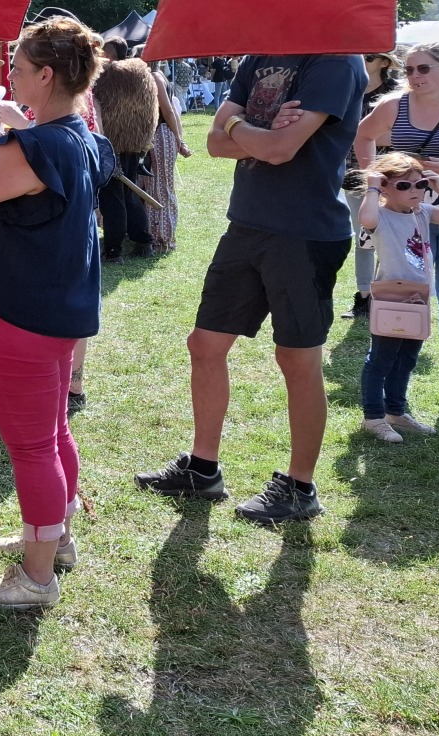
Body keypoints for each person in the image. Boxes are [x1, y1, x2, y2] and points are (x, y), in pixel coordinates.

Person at [136, 52, 365, 524]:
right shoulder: (258, 57)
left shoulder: (337, 60)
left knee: (296, 359)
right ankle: (203, 470)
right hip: (247, 225)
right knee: (204, 344)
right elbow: (213, 142)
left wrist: (240, 125)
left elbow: (279, 149)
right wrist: (256, 132)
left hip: (306, 233)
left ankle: (300, 487)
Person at [0, 16, 103, 607]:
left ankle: (37, 576)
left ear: (47, 75)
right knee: (52, 434)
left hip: (19, 314)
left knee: (34, 446)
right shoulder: (80, 136)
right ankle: (54, 541)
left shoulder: (34, 145)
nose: (9, 76)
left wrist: (10, 134)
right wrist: (19, 130)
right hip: (56, 310)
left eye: (20, 67)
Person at [354, 42, 439, 407]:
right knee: (402, 290)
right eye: (409, 70)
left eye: (423, 68)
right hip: (407, 213)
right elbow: (363, 135)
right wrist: (377, 180)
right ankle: (390, 380)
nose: (414, 76)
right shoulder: (394, 106)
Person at [356, 153, 439, 442]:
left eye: (420, 184)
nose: (415, 191)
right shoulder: (381, 215)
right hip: (391, 298)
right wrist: (372, 187)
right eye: (404, 186)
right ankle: (373, 417)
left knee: (407, 359)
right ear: (385, 188)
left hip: (418, 298)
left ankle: (396, 412)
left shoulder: (423, 212)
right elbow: (366, 219)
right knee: (381, 360)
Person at [341, 52, 402, 319]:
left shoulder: (397, 93)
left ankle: (388, 295)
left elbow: (407, 132)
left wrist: (364, 133)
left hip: (395, 177)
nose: (361, 61)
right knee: (363, 237)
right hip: (355, 175)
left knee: (393, 237)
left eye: (368, 57)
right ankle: (364, 297)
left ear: (384, 62)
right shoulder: (347, 89)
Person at [91, 38, 157, 261]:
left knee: (113, 198)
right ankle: (143, 241)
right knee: (129, 193)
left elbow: (101, 111)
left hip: (112, 144)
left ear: (109, 54)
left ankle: (113, 249)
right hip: (133, 143)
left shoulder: (107, 76)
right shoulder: (139, 73)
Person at [141, 53, 192, 253]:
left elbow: (169, 110)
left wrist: (179, 139)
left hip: (160, 134)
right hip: (159, 134)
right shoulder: (159, 75)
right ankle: (155, 235)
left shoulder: (154, 76)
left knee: (160, 189)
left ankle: (162, 238)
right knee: (153, 187)